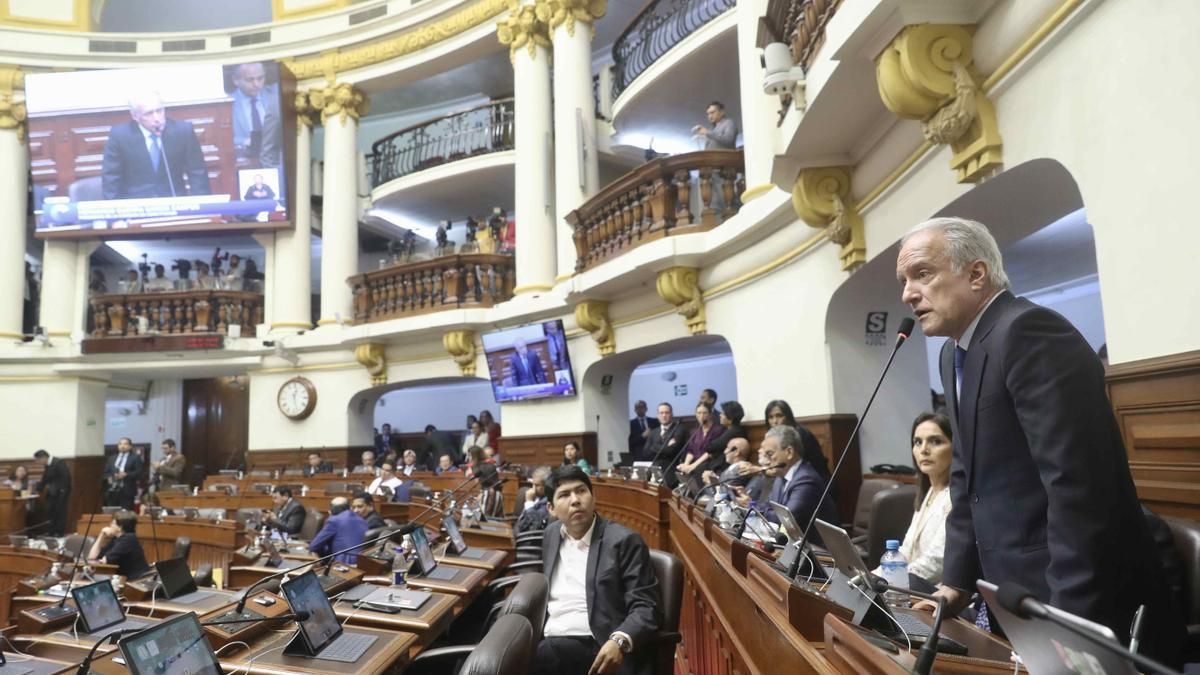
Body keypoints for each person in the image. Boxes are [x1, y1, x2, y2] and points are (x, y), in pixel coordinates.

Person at [897, 217, 1182, 661]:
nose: (908, 293)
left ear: (976, 274)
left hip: (1079, 604)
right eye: (905, 280)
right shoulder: (955, 353)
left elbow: (1078, 489)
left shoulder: (1030, 334)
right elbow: (966, 478)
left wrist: (1065, 624)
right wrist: (954, 582)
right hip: (1014, 603)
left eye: (922, 273)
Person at [535, 465, 660, 675]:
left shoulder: (623, 541)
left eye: (581, 491)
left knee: (542, 656)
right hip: (550, 636)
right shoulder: (551, 535)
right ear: (551, 508)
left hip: (598, 643)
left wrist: (619, 640)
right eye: (564, 495)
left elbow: (647, 606)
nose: (575, 500)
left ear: (593, 497)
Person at [873, 413, 953, 585]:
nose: (924, 449)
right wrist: (870, 576)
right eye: (918, 442)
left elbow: (936, 563)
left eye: (935, 441)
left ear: (956, 448)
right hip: (911, 586)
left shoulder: (955, 497)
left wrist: (885, 580)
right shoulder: (929, 492)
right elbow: (907, 551)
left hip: (937, 597)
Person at [101, 90, 210, 200]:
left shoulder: (183, 131)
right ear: (135, 116)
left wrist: (203, 207)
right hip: (137, 205)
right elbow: (111, 178)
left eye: (159, 111)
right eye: (149, 113)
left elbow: (197, 173)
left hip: (174, 200)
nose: (157, 118)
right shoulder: (120, 136)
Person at [760, 425, 837, 535]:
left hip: (818, 549)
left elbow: (788, 519)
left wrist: (757, 510)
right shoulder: (780, 476)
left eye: (770, 454)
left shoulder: (806, 480)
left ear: (789, 452)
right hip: (790, 542)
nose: (766, 461)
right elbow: (767, 506)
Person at [230, 62, 282, 168]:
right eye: (250, 80)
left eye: (260, 78)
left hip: (276, 161)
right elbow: (223, 139)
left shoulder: (275, 96)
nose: (256, 84)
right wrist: (243, 141)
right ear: (236, 80)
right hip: (245, 163)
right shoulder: (228, 104)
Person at [668, 402, 724, 490]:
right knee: (680, 469)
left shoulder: (717, 430)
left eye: (704, 413)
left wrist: (693, 466)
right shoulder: (695, 430)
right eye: (699, 413)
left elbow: (710, 452)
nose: (701, 416)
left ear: (710, 414)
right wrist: (686, 465)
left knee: (698, 470)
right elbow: (691, 450)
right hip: (695, 463)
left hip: (708, 463)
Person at [87, 511, 151, 579]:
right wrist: (101, 535)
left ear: (120, 527)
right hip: (124, 579)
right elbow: (92, 557)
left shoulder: (129, 539)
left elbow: (105, 561)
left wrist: (100, 561)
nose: (110, 525)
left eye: (113, 523)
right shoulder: (116, 538)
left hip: (136, 582)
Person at [308, 497, 368, 563]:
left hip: (343, 563)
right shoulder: (362, 520)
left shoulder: (334, 520)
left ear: (331, 509)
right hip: (362, 562)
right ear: (349, 507)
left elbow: (313, 546)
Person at [34, 449, 71, 535]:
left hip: (61, 493)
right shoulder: (48, 465)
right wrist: (38, 489)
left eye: (38, 460)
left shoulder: (58, 462)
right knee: (51, 512)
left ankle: (59, 532)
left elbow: (66, 478)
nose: (37, 462)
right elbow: (45, 478)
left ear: (43, 458)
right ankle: (52, 532)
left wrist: (63, 492)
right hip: (52, 493)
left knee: (60, 513)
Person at [644, 402, 689, 470]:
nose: (664, 415)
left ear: (671, 414)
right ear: (657, 415)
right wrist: (665, 447)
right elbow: (645, 452)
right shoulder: (654, 432)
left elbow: (670, 451)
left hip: (672, 468)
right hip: (655, 468)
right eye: (661, 413)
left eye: (667, 413)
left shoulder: (679, 429)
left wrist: (653, 446)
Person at [104, 437, 143, 510]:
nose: (122, 446)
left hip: (127, 490)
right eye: (120, 444)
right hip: (113, 490)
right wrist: (109, 478)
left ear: (130, 446)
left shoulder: (135, 458)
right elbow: (106, 472)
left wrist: (126, 474)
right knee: (112, 511)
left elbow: (139, 472)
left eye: (125, 444)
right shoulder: (112, 458)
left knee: (126, 513)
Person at [516, 466, 551, 535]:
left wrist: (529, 502)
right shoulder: (537, 497)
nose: (533, 488)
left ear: (546, 486)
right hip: (517, 532)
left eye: (537, 485)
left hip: (525, 539)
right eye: (533, 484)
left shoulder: (548, 503)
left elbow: (535, 524)